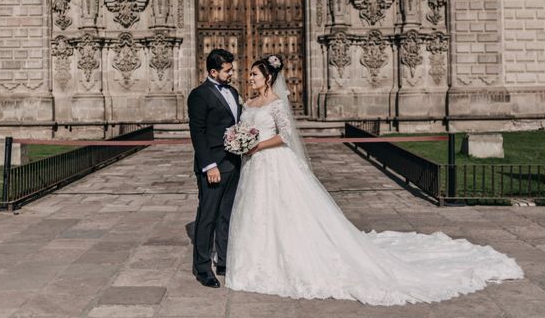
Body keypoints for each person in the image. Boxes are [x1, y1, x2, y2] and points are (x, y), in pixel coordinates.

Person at [225, 55, 524, 305]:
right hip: (254, 167)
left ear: (268, 76)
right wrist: (241, 143)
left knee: (285, 211)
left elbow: (286, 135)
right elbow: (246, 129)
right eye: (249, 74)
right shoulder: (249, 104)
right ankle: (258, 261)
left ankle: (286, 258)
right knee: (259, 214)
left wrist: (257, 145)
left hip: (272, 162)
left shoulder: (277, 103)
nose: (249, 78)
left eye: (254, 74)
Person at [187, 49, 242, 288]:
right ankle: (202, 268)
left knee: (225, 215)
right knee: (207, 216)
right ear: (213, 72)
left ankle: (223, 260)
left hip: (233, 163)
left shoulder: (233, 92)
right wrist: (209, 166)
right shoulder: (199, 95)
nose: (232, 74)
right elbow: (197, 134)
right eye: (228, 70)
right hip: (213, 165)